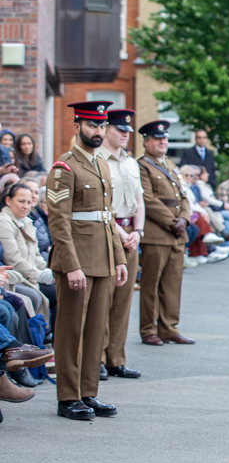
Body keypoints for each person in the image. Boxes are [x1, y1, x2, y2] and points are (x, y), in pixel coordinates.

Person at [45, 101, 128, 420]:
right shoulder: (64, 168)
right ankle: (67, 397)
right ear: (77, 127)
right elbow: (59, 222)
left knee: (96, 330)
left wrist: (119, 258)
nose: (98, 132)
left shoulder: (102, 165)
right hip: (77, 262)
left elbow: (108, 218)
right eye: (92, 126)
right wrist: (70, 265)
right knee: (71, 330)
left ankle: (88, 392)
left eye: (102, 126)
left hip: (104, 259)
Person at [137, 120, 195, 346]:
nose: (163, 142)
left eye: (165, 138)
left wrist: (185, 218)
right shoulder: (141, 166)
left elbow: (183, 196)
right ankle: (148, 329)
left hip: (177, 232)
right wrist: (172, 221)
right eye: (157, 138)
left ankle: (169, 327)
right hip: (157, 233)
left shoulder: (170, 164)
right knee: (151, 285)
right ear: (146, 141)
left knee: (172, 283)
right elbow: (147, 199)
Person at [96, 109, 144, 379]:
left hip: (130, 232)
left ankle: (116, 358)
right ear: (106, 130)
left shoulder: (130, 162)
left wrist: (138, 230)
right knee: (105, 299)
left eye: (128, 131)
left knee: (123, 301)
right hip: (108, 230)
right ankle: (99, 357)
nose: (125, 135)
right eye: (120, 130)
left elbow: (139, 201)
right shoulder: (99, 160)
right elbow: (99, 206)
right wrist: (120, 233)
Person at [0, 183, 57, 323]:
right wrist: (41, 276)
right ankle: (40, 337)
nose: (26, 206)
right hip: (19, 278)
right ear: (8, 201)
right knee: (54, 292)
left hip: (30, 275)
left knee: (63, 287)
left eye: (29, 202)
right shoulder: (3, 222)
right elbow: (14, 261)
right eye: (21, 201)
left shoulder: (28, 221)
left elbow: (36, 256)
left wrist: (50, 271)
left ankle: (55, 338)